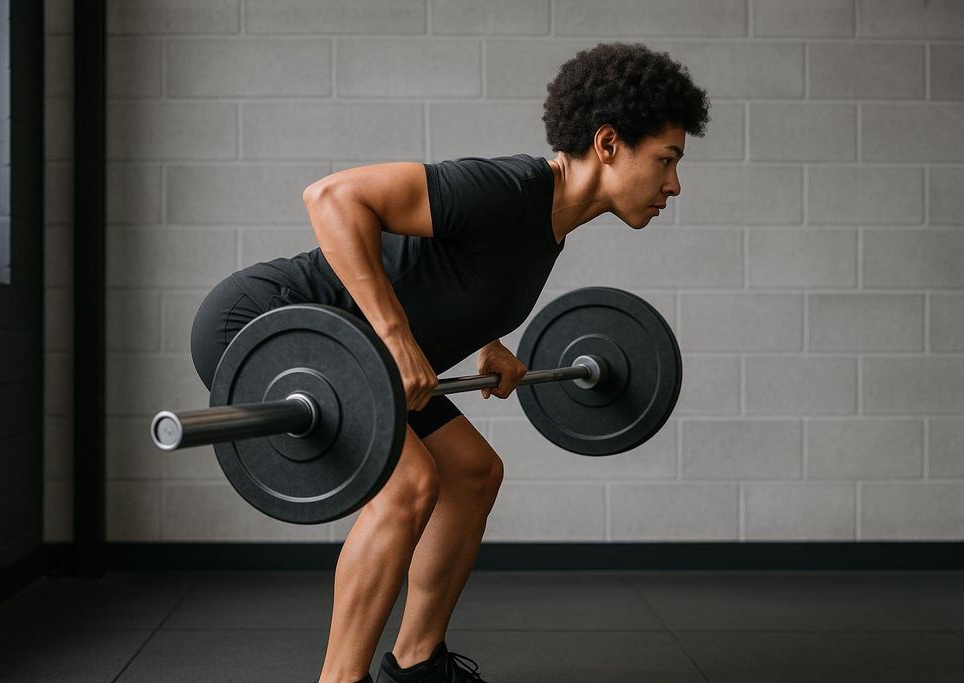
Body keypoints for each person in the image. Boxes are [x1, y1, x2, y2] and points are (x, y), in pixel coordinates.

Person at [190, 42, 709, 683]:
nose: (673, 185)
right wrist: (396, 336)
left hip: (359, 353)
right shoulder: (507, 190)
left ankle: (416, 664)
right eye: (666, 160)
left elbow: (447, 283)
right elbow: (331, 198)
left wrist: (489, 343)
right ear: (607, 144)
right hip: (273, 329)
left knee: (471, 471)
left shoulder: (547, 227)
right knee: (408, 486)